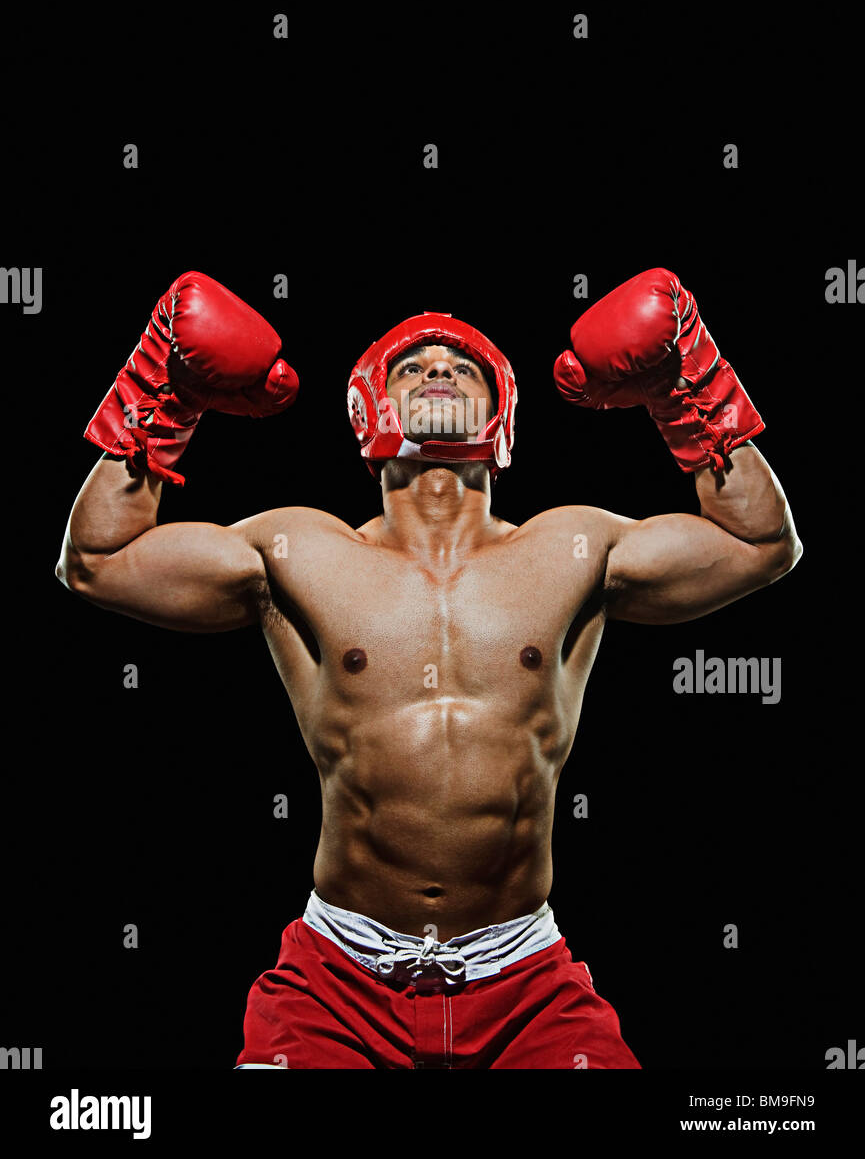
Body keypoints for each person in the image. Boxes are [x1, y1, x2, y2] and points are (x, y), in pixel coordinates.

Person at [55, 268, 802, 1069]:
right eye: (411, 366)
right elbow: (98, 560)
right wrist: (164, 399)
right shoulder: (300, 547)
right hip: (331, 983)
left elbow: (758, 546)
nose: (438, 370)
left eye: (462, 366)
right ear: (367, 406)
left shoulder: (572, 546)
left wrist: (683, 395)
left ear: (501, 410)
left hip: (526, 987)